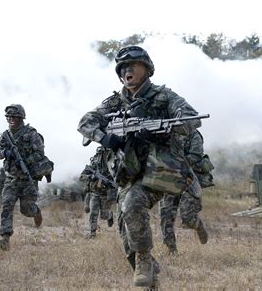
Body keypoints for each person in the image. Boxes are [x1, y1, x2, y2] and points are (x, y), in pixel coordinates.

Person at [77, 46, 202, 289]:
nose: (127, 70)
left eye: (132, 65)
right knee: (126, 229)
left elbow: (191, 119)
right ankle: (149, 272)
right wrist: (106, 138)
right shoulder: (115, 101)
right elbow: (85, 122)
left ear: (147, 68)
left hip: (161, 170)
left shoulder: (164, 97)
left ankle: (145, 259)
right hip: (129, 173)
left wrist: (162, 129)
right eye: (123, 67)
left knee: (132, 203)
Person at [0, 104, 44, 251]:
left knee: (26, 210)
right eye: (9, 117)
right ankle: (5, 239)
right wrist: (6, 153)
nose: (11, 119)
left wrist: (26, 159)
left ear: (21, 117)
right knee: (6, 205)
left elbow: (40, 154)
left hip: (28, 179)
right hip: (12, 178)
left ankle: (36, 212)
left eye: (14, 116)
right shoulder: (5, 136)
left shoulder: (32, 134)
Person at [160, 130, 210, 254]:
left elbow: (196, 155)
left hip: (189, 177)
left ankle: (198, 225)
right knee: (166, 215)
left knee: (188, 218)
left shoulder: (193, 134)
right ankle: (171, 250)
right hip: (170, 176)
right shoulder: (165, 132)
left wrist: (176, 162)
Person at [79, 146, 114, 238]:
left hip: (105, 194)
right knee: (93, 213)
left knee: (104, 215)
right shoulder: (94, 161)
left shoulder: (112, 160)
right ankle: (92, 233)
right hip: (94, 193)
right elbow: (82, 176)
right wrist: (91, 177)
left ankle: (110, 216)